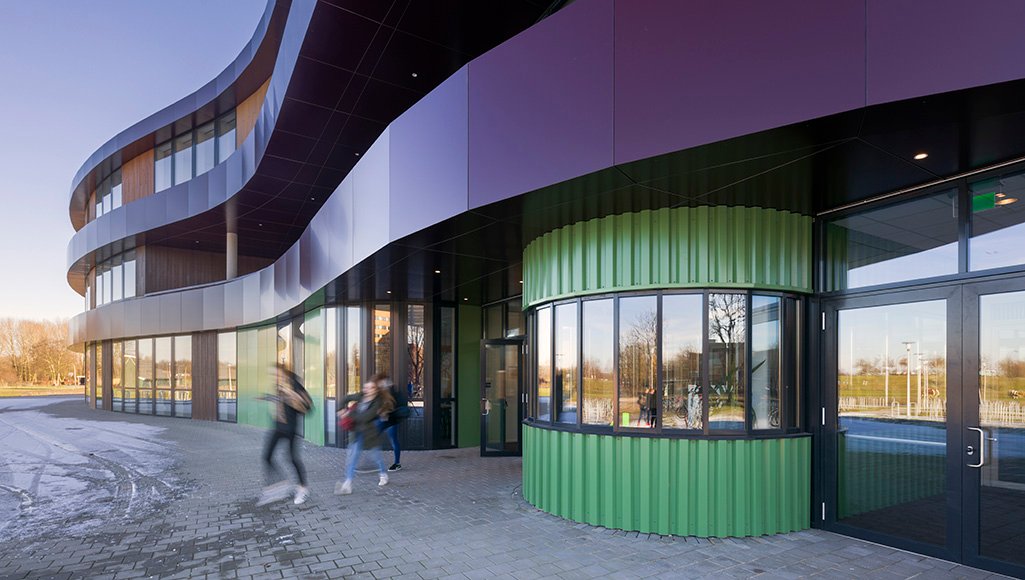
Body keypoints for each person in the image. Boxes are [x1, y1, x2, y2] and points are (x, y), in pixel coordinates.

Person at [258, 366, 313, 506]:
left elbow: (308, 407)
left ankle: (303, 488)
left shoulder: (294, 385)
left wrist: (292, 395)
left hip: (291, 429)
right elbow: (279, 400)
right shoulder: (278, 387)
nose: (274, 377)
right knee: (267, 456)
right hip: (278, 427)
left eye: (276, 374)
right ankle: (280, 484)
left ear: (283, 372)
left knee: (292, 458)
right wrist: (266, 397)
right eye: (272, 375)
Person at [335, 378, 395, 495]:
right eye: (365, 387)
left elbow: (366, 417)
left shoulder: (377, 402)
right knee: (351, 458)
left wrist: (348, 414)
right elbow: (345, 398)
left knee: (376, 456)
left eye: (370, 388)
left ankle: (383, 474)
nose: (366, 390)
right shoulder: (361, 396)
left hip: (368, 434)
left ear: (375, 390)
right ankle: (348, 483)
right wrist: (341, 409)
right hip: (356, 432)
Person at [375, 372, 408, 471]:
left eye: (383, 381)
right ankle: (376, 462)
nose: (382, 383)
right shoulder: (379, 392)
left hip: (391, 420)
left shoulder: (393, 392)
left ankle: (397, 463)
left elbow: (398, 405)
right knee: (372, 437)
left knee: (393, 440)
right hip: (382, 419)